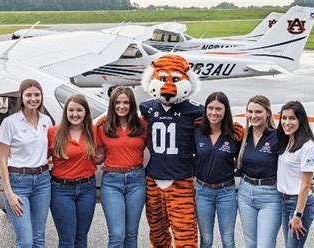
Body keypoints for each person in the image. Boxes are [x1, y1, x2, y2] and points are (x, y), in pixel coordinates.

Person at [140, 54, 203, 247]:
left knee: (185, 233)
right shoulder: (147, 108)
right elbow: (126, 125)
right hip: (153, 179)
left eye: (175, 79)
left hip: (181, 180)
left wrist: (231, 129)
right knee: (157, 233)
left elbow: (214, 127)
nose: (168, 86)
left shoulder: (195, 110)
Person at [0, 79, 52, 247]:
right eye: (29, 95)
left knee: (39, 238)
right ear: (21, 97)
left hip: (42, 181)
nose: (33, 99)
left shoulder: (46, 121)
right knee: (26, 242)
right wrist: (9, 194)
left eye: (37, 95)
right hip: (18, 182)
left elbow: (48, 150)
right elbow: (2, 159)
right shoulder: (10, 123)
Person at [96, 87, 147, 248]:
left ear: (132, 104)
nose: (121, 106)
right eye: (117, 102)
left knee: (131, 234)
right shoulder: (103, 126)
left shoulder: (142, 125)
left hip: (137, 181)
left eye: (126, 102)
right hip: (112, 182)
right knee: (117, 234)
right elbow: (98, 156)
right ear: (112, 104)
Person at [48, 94, 98, 248]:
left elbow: (102, 153)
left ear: (86, 112)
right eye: (71, 110)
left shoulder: (94, 131)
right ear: (65, 112)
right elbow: (39, 157)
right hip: (61, 190)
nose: (75, 114)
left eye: (79, 110)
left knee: (81, 238)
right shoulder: (54, 132)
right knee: (67, 240)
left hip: (87, 188)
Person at [193, 92, 242, 248]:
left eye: (219, 109)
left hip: (226, 192)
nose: (214, 113)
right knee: (206, 239)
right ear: (205, 109)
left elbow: (244, 159)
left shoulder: (234, 135)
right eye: (210, 108)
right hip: (202, 192)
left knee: (228, 239)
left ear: (226, 111)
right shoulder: (197, 132)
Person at [236, 95, 281, 248]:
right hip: (245, 193)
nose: (253, 116)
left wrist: (304, 178)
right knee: (251, 243)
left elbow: (291, 159)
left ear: (268, 113)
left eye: (258, 112)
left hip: (270, 195)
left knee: (265, 244)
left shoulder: (278, 136)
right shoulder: (244, 135)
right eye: (250, 112)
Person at [277, 101, 314, 248]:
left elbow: (306, 184)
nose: (287, 122)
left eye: (292, 118)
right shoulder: (288, 140)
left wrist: (298, 215)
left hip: (299, 205)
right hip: (284, 201)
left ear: (301, 120)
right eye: (284, 118)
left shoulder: (307, 146)